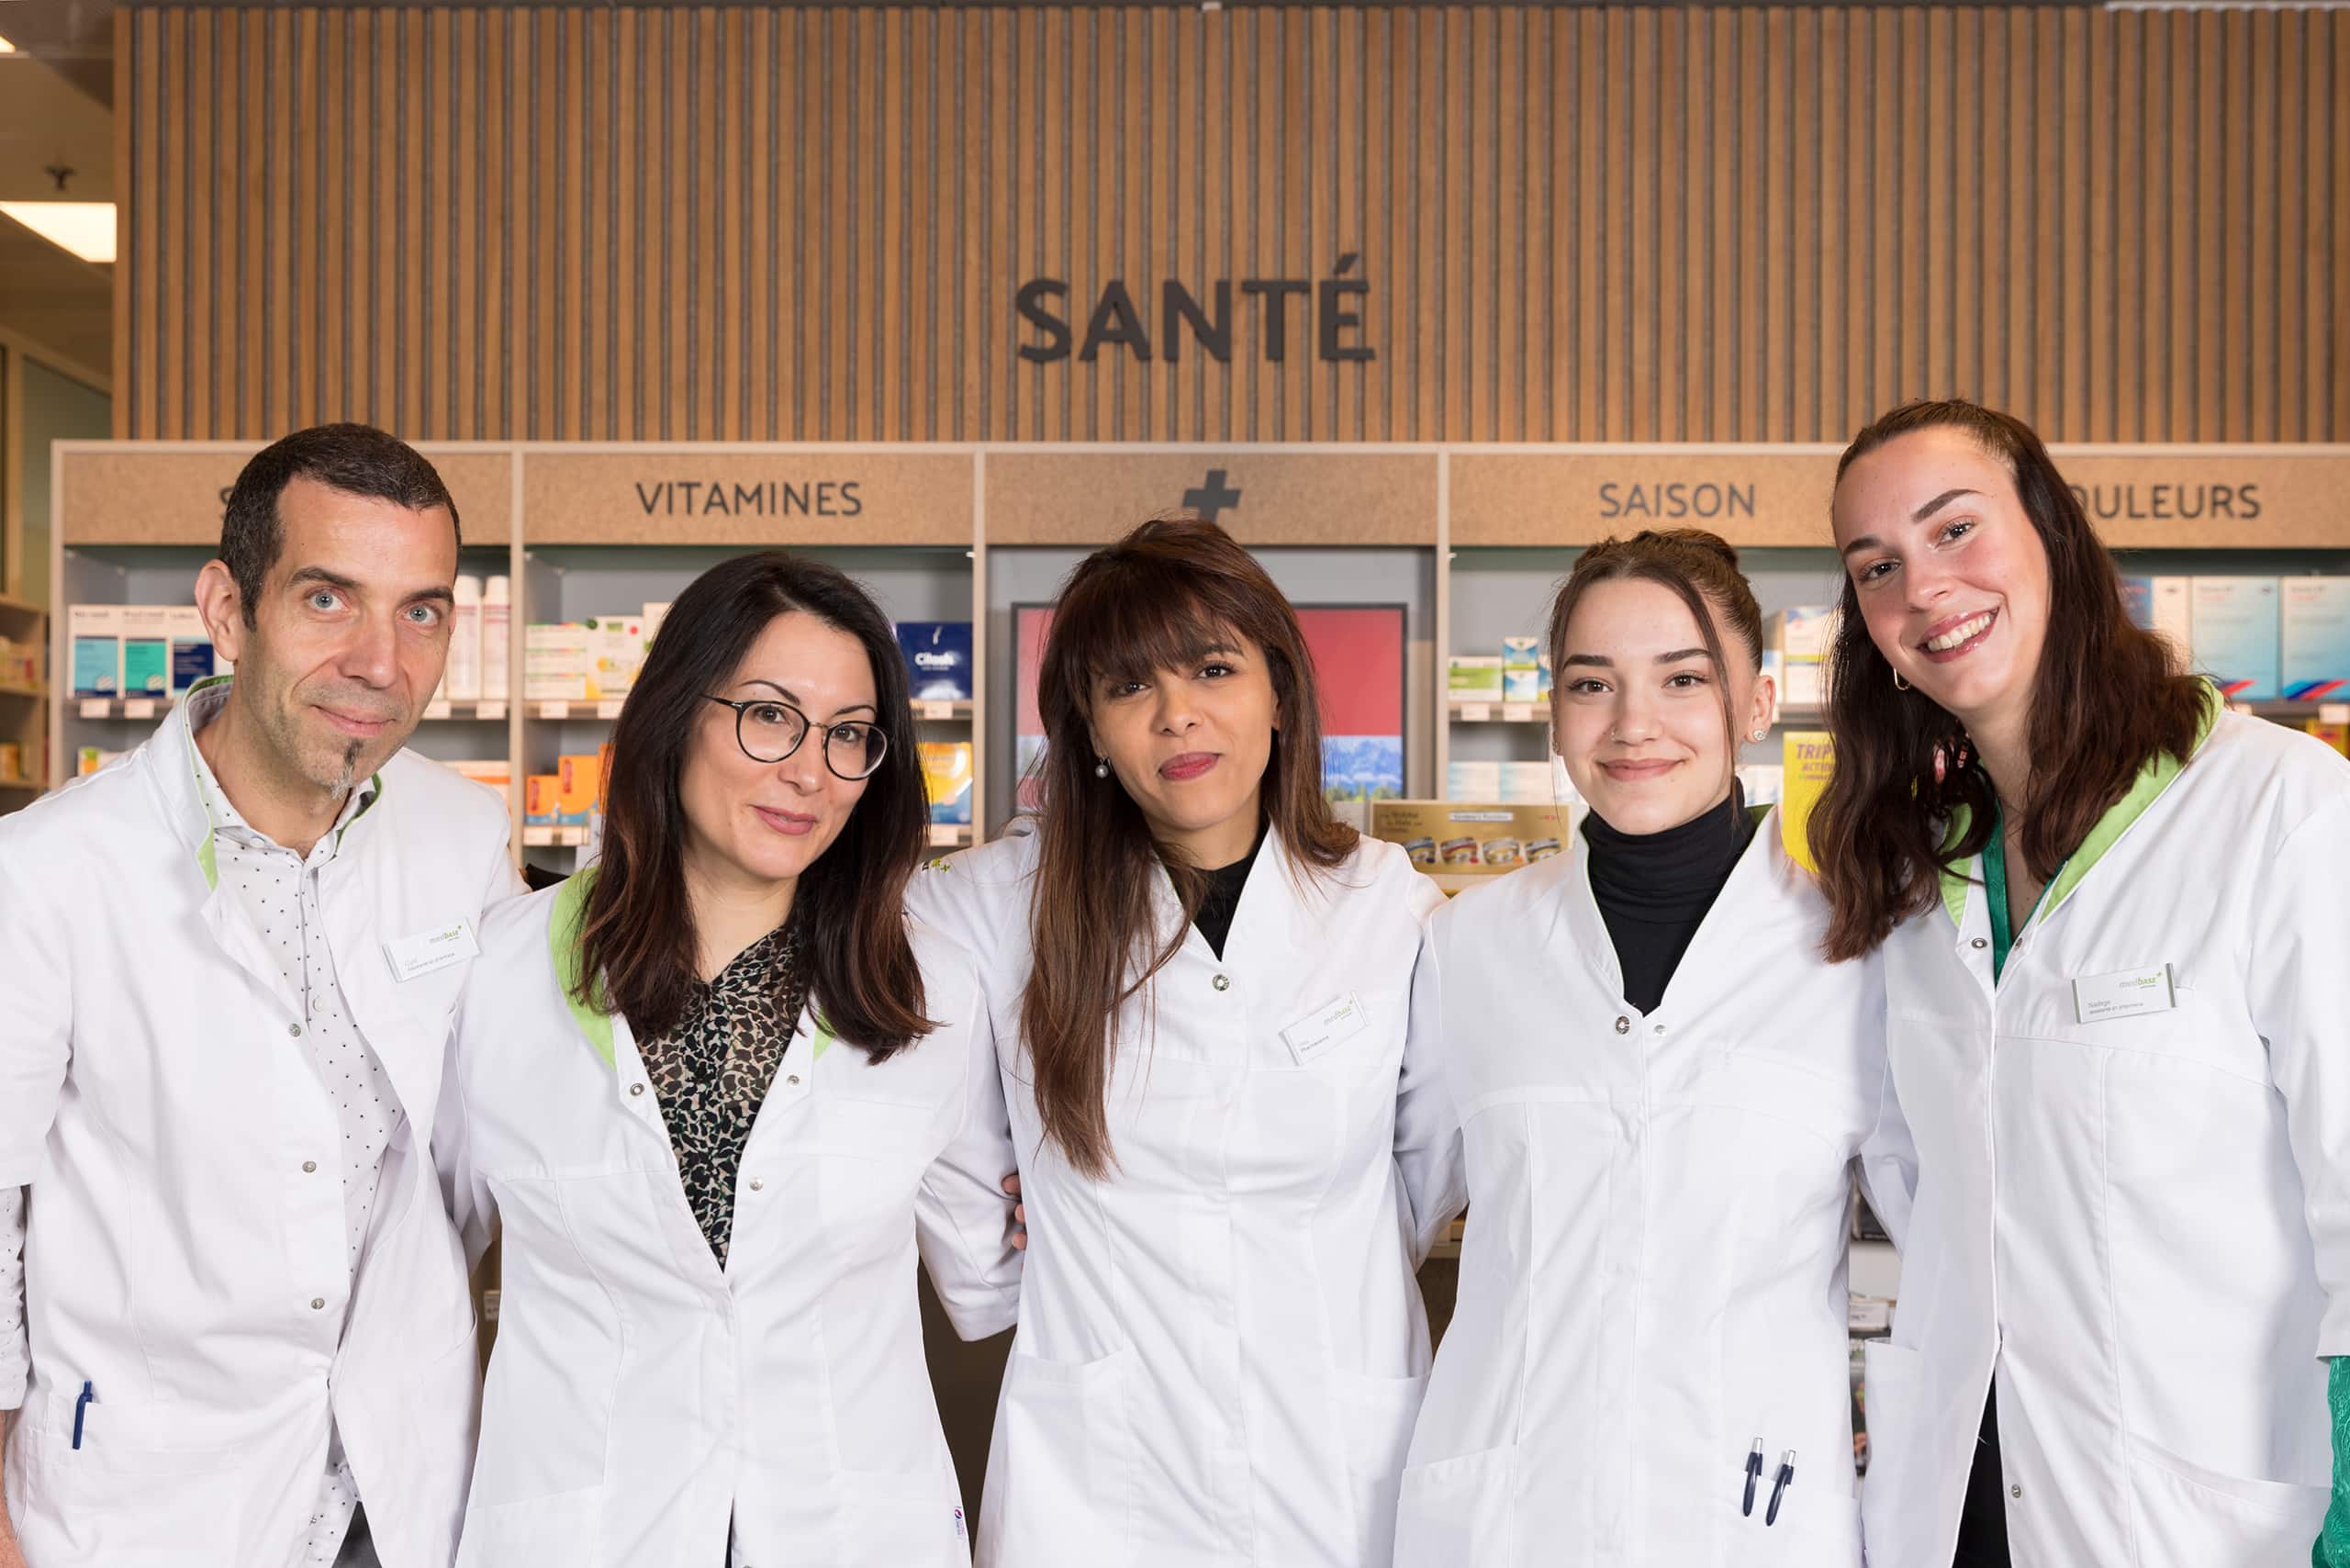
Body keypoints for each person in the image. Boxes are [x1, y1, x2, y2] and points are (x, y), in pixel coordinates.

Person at [1812, 398, 2350, 1568]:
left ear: (2050, 531)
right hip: (1967, 1497)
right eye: (1876, 566)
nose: (1924, 589)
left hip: (2203, 1505)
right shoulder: (1915, 872)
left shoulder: (2276, 807)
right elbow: (1926, 1188)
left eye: (1956, 530)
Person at [438, 552, 1022, 1566]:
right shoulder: (497, 974)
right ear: (676, 711)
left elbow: (986, 1276)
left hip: (847, 1531)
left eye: (848, 735)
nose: (809, 770)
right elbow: (417, 1263)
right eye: (768, 714)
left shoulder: (928, 988)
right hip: (584, 1530)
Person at [0, 426, 518, 1567]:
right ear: (227, 609)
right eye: (330, 598)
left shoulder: (467, 839)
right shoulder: (44, 872)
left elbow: (492, 1144)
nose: (382, 660)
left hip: (398, 1489)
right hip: (151, 1499)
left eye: (421, 611)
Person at [904, 518, 1457, 1567]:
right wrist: (1037, 1242)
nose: (1176, 715)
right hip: (1103, 1477)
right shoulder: (985, 909)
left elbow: (1418, 1178)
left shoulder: (1391, 906)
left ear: (1279, 691)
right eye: (1127, 688)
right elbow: (951, 1166)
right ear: (1090, 730)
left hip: (1337, 1457)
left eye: (1212, 667)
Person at [1393, 530, 1910, 1567]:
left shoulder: (1859, 952)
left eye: (1683, 678)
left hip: (1751, 1514)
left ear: (1756, 703)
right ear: (1556, 707)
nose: (1633, 725)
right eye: (1593, 683)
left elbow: (1948, 1236)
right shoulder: (1467, 945)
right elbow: (1367, 1211)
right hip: (1506, 1515)